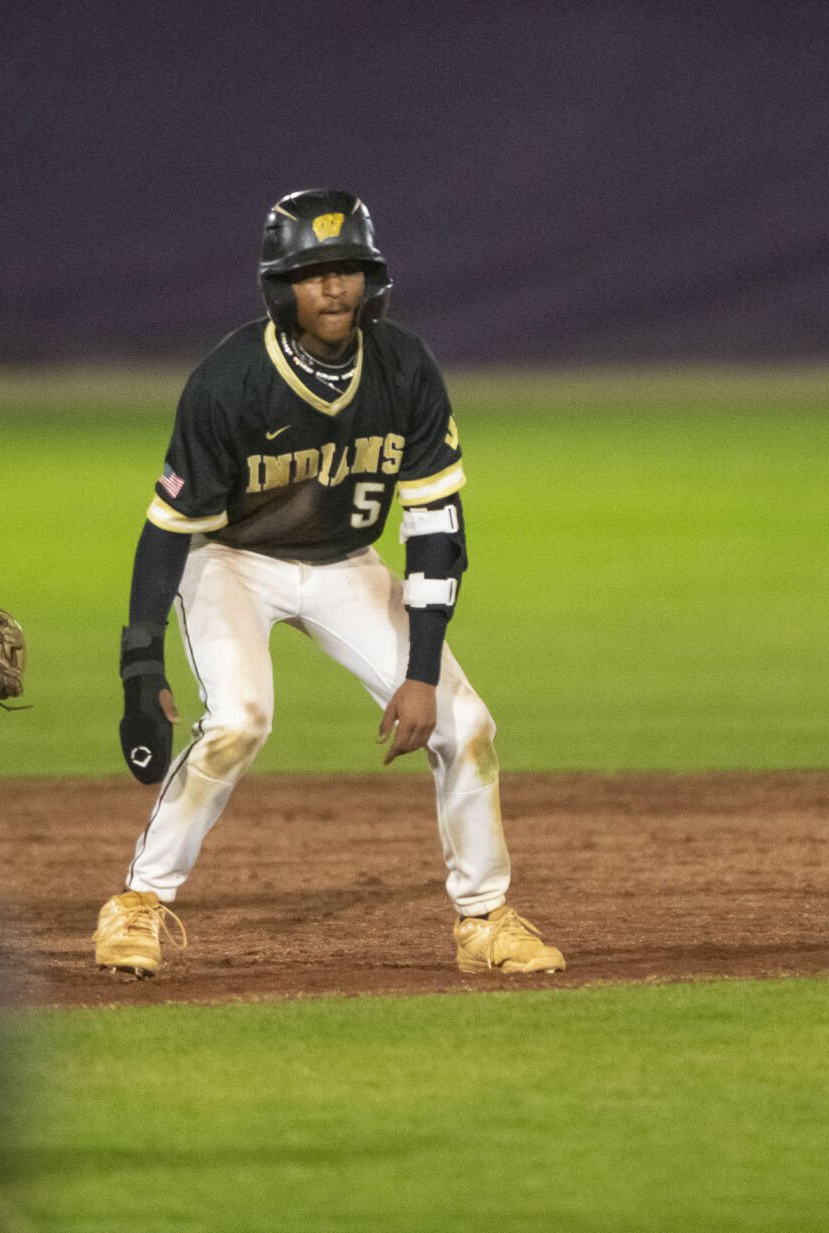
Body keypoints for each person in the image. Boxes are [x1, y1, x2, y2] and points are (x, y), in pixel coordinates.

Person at [93, 189, 565, 979]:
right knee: (241, 719)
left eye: (348, 267)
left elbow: (438, 536)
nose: (335, 287)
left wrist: (420, 675)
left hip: (348, 564)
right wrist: (140, 665)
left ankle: (484, 919)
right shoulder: (230, 380)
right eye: (314, 272)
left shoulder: (405, 368)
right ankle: (137, 904)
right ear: (282, 285)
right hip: (232, 562)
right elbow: (168, 529)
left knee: (467, 723)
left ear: (372, 278)